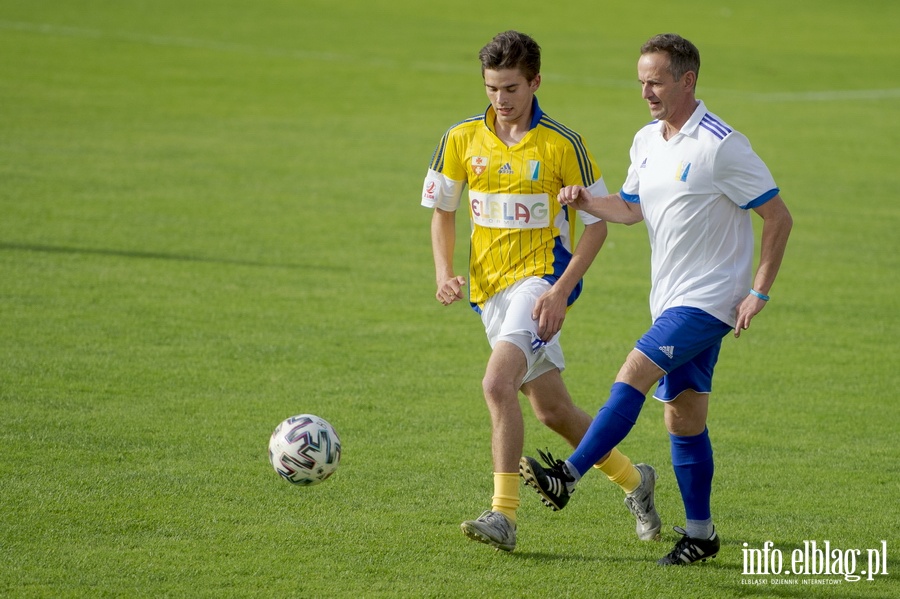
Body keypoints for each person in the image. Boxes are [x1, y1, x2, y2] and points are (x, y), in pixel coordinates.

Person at [520, 33, 793, 565]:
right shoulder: (646, 140)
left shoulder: (721, 144)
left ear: (687, 81)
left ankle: (568, 476)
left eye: (656, 81)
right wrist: (586, 201)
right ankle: (701, 534)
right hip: (669, 299)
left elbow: (778, 217)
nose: (645, 90)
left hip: (711, 300)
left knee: (634, 370)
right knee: (683, 419)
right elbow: (628, 208)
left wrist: (759, 290)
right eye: (641, 80)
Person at [421, 30, 661, 552]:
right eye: (491, 88)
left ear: (535, 82)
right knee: (553, 412)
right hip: (489, 293)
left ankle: (503, 516)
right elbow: (443, 210)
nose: (500, 100)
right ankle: (635, 481)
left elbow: (596, 224)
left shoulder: (562, 143)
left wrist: (560, 292)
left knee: (496, 385)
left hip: (540, 285)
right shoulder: (460, 138)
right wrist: (444, 273)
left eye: (510, 88)